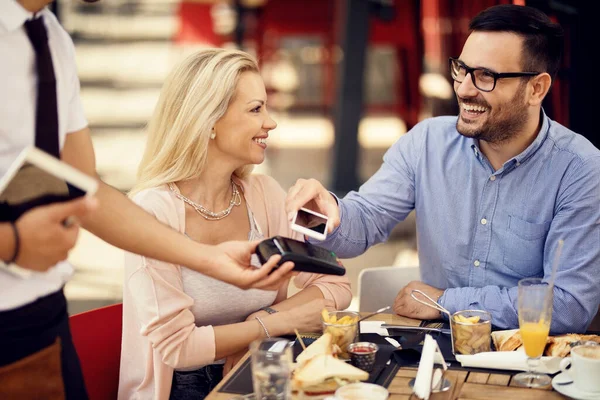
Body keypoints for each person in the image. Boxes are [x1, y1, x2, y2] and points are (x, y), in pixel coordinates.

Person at [0, 1, 293, 399]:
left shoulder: (51, 39)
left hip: (41, 316)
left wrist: (208, 259)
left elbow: (85, 187)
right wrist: (12, 241)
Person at [285, 4, 600, 334]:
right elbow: (364, 222)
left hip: (524, 359)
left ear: (536, 88)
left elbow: (569, 305)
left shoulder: (579, 170)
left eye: (486, 77)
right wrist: (325, 213)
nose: (464, 88)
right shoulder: (426, 143)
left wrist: (445, 302)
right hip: (434, 352)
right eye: (462, 69)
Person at [118, 48, 352, 400]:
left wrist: (256, 324)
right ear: (208, 120)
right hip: (183, 388)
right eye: (256, 109)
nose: (270, 122)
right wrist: (273, 325)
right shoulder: (151, 212)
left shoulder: (268, 194)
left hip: (263, 368)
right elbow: (178, 348)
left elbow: (338, 282)